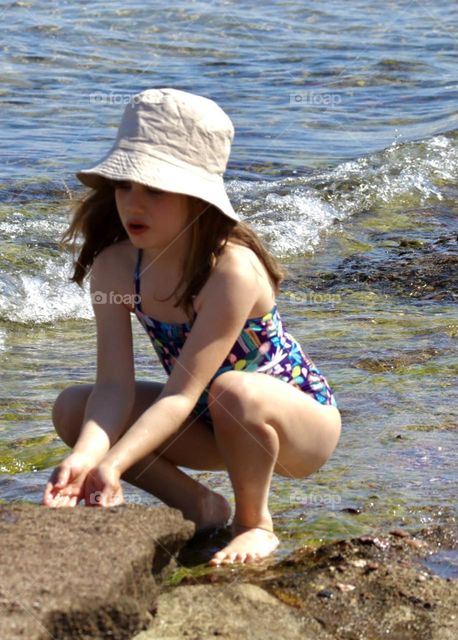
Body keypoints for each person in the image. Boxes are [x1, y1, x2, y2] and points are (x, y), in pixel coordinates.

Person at [41, 88, 341, 566]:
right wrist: (86, 458)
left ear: (197, 198)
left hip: (292, 428)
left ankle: (254, 524)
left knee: (233, 390)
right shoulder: (117, 268)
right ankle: (200, 507)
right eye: (123, 186)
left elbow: (181, 393)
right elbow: (114, 388)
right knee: (75, 409)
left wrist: (114, 464)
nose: (132, 205)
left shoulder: (231, 271)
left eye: (154, 190)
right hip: (203, 420)